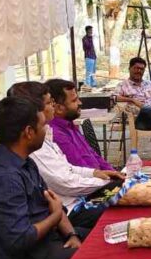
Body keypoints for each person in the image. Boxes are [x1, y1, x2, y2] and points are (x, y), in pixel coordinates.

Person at [0, 97, 80, 259]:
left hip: (42, 246)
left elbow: (53, 203)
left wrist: (72, 235)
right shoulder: (5, 178)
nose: (46, 130)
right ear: (29, 132)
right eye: (43, 125)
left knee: (101, 237)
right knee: (93, 258)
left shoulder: (25, 162)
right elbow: (18, 240)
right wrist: (54, 216)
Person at [9, 82, 123, 235]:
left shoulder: (48, 134)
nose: (53, 106)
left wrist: (96, 173)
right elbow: (66, 182)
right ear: (35, 111)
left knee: (127, 191)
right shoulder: (36, 145)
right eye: (49, 103)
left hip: (76, 200)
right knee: (121, 210)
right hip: (73, 207)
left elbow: (69, 167)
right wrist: (104, 181)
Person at [39, 79, 116, 172]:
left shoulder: (70, 125)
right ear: (59, 108)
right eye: (74, 100)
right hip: (92, 179)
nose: (80, 103)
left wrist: (114, 173)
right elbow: (81, 168)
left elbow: (93, 155)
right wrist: (107, 176)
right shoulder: (57, 134)